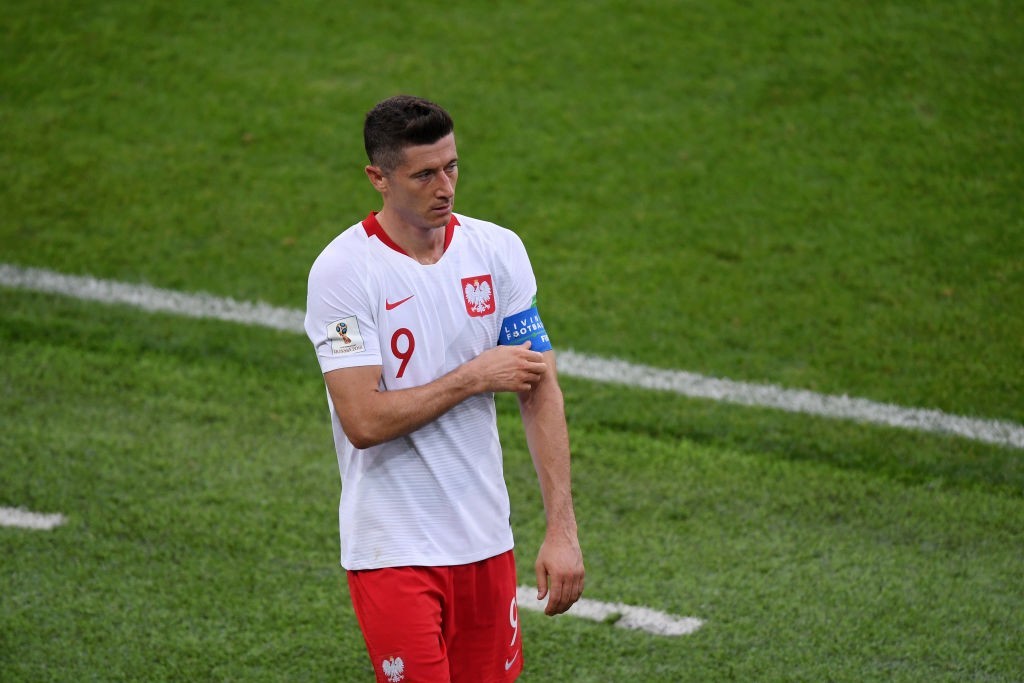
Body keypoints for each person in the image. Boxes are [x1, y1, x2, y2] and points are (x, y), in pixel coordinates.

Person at [304, 95, 584, 683]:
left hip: (486, 540)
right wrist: (474, 377)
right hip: (393, 549)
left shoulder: (498, 250)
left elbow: (540, 388)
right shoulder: (343, 272)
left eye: (451, 166)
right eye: (424, 174)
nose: (445, 187)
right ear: (378, 178)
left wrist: (562, 531)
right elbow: (363, 421)